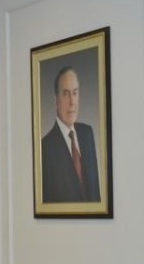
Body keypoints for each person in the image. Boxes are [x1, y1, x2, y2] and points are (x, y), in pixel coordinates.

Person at [40, 66, 100, 202]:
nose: (72, 102)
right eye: (66, 94)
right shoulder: (45, 148)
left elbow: (96, 193)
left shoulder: (87, 133)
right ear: (56, 100)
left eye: (75, 93)